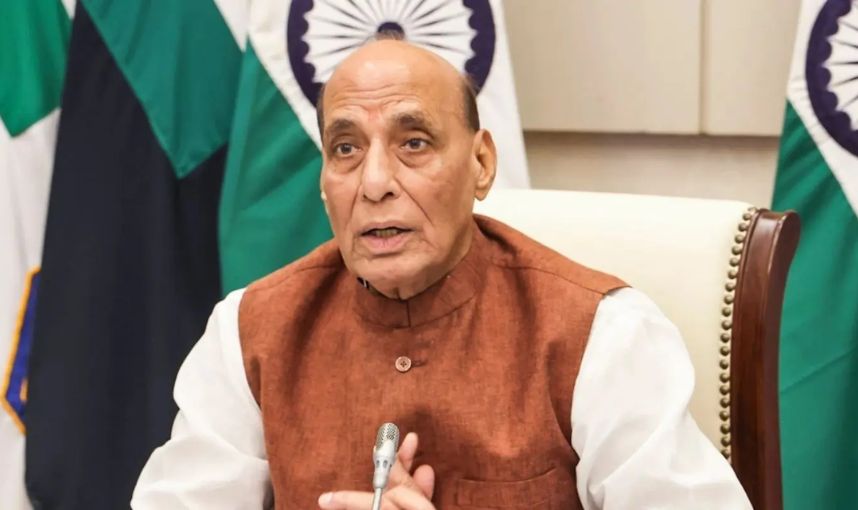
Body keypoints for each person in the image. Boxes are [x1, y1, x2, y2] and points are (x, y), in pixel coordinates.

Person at [131, 38, 752, 510]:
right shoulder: (252, 330)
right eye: (346, 149)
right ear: (323, 183)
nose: (375, 183)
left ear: (481, 163)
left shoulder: (600, 332)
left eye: (414, 143)